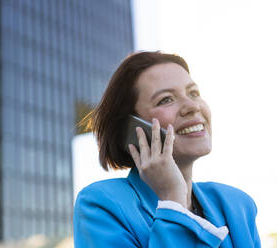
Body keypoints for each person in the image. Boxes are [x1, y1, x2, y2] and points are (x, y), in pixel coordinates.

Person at [73, 51, 261, 247]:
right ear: (132, 128)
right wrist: (173, 201)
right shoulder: (102, 204)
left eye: (193, 93)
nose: (192, 106)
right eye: (166, 99)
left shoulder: (237, 205)